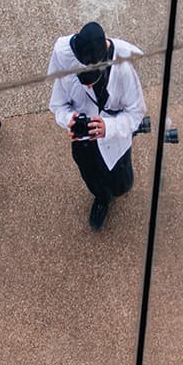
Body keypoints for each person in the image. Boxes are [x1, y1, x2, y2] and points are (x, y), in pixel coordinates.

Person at [48, 21, 146, 231]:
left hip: (115, 142)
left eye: (93, 80)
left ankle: (115, 191)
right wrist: (69, 119)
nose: (88, 86)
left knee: (123, 184)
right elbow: (57, 105)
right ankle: (102, 199)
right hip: (83, 143)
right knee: (91, 177)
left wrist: (108, 128)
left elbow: (136, 112)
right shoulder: (67, 66)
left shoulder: (124, 72)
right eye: (83, 81)